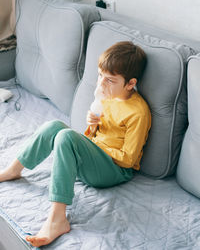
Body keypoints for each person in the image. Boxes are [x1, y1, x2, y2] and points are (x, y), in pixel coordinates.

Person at [0, 41, 151, 247]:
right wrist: (94, 126)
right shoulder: (108, 95)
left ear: (130, 83)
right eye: (100, 76)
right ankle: (13, 170)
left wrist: (93, 146)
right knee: (55, 126)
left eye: (109, 80)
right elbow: (97, 135)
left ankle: (57, 219)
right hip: (96, 161)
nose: (101, 84)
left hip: (115, 170)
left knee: (67, 137)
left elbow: (128, 159)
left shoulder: (138, 112)